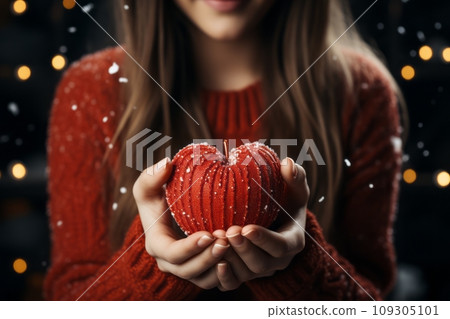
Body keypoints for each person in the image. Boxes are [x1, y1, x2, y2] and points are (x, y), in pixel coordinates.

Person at [44, 0, 404, 300]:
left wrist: (303, 261)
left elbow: (372, 298)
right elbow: (70, 299)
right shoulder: (91, 92)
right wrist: (152, 262)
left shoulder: (361, 92)